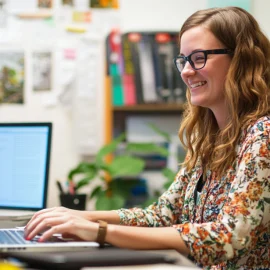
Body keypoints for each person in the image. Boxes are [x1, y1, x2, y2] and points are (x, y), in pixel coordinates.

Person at [24, 6, 270, 269]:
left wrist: (99, 231)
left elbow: (228, 237)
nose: (186, 71)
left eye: (199, 57)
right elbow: (162, 215)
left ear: (241, 59)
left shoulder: (262, 135)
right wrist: (80, 217)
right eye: (183, 60)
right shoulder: (208, 141)